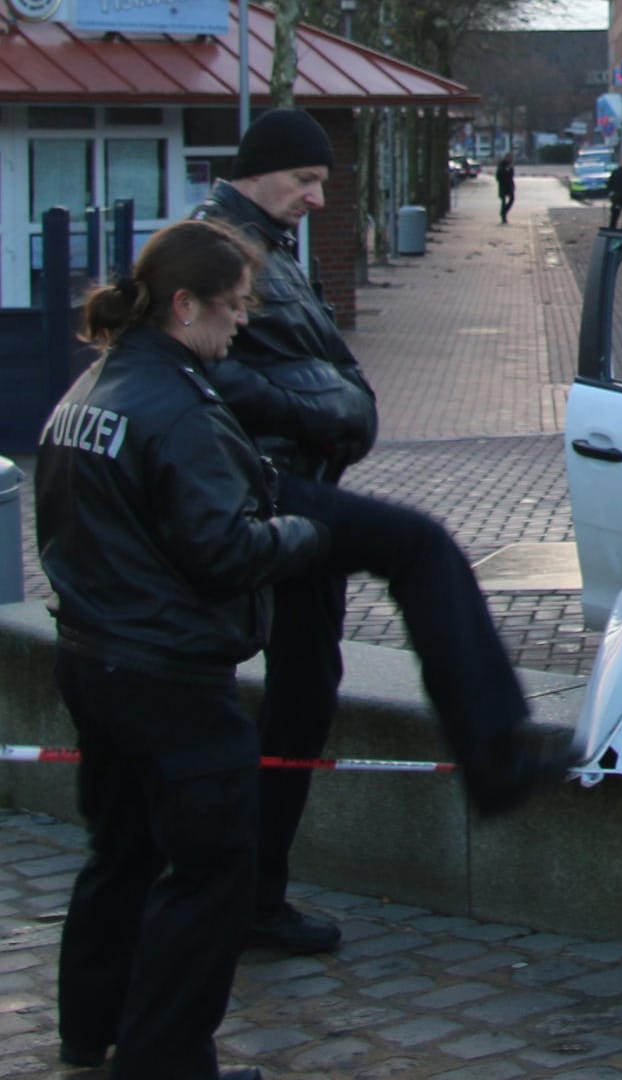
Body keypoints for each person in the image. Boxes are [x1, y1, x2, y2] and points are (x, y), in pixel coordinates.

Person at [191, 108, 574, 958]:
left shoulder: (260, 244)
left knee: (305, 685)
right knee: (420, 547)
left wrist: (331, 407)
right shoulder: (220, 250)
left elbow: (309, 368)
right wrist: (322, 411)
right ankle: (495, 754)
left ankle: (256, 896)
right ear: (259, 172)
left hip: (292, 480)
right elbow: (212, 373)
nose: (318, 197)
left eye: (324, 180)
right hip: (264, 489)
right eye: (304, 180)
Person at [39, 217, 315, 1080]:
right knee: (211, 872)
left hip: (95, 656)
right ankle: (165, 1060)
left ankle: (91, 1028)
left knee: (118, 852)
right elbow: (222, 550)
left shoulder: (91, 391)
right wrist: (297, 534)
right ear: (184, 303)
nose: (242, 322)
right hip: (172, 675)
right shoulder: (180, 409)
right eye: (232, 306)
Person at [495, 153, 516, 224]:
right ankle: (503, 217)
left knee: (512, 199)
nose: (510, 159)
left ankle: (503, 212)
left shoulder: (511, 165)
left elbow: (512, 175)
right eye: (509, 157)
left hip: (510, 185)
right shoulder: (502, 164)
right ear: (506, 158)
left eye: (511, 158)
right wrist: (506, 171)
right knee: (503, 201)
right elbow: (498, 175)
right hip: (503, 185)